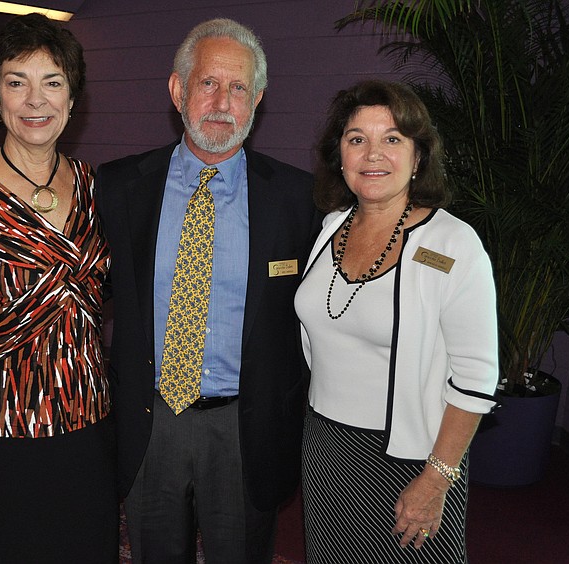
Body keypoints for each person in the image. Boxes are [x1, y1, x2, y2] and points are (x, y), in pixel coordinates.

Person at [94, 18, 319, 563]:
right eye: (209, 83)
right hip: (150, 422)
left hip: (245, 428)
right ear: (178, 91)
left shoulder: (298, 199)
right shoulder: (118, 188)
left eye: (238, 87)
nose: (222, 102)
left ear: (257, 99)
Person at [0, 14, 117, 563]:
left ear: (72, 99)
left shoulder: (93, 186)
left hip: (88, 423)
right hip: (0, 428)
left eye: (52, 82)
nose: (36, 100)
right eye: (17, 82)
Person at [295, 79, 499, 563]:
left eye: (392, 139)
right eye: (357, 139)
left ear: (418, 156)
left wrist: (436, 478)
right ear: (340, 156)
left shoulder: (453, 244)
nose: (373, 154)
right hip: (325, 448)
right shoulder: (330, 228)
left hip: (411, 460)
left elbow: (476, 378)